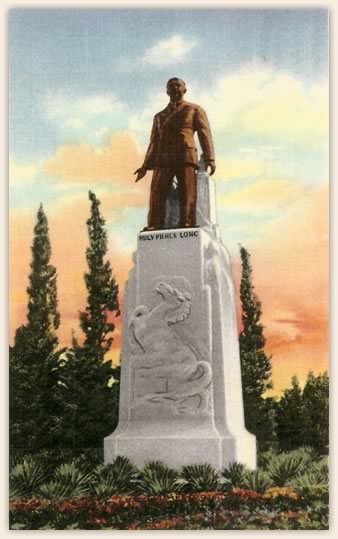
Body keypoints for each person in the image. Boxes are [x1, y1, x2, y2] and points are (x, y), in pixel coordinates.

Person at [134, 78, 216, 230]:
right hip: (163, 159)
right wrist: (145, 166)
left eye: (178, 85)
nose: (175, 88)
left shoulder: (194, 110)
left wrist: (210, 158)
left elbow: (205, 134)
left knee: (187, 193)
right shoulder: (159, 116)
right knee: (157, 194)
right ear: (167, 91)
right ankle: (154, 224)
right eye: (171, 86)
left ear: (185, 89)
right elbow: (154, 142)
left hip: (185, 157)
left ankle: (186, 224)